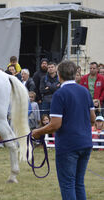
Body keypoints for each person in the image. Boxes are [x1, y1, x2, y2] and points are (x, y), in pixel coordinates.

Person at [32, 60, 96, 200]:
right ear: (74, 74)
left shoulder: (60, 94)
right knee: (79, 183)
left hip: (68, 145)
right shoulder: (85, 91)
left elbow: (55, 124)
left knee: (67, 184)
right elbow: (93, 118)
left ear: (59, 75)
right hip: (85, 142)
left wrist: (37, 132)